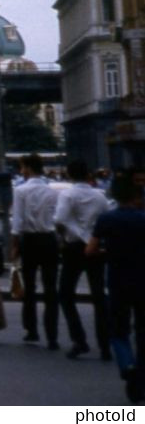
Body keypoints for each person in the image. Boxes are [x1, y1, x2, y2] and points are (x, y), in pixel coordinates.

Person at [88, 172, 145, 404]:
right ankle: (141, 375)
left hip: (117, 281)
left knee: (119, 331)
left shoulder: (106, 219)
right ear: (136, 197)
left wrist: (106, 252)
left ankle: (127, 365)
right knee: (142, 331)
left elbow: (90, 251)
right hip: (143, 282)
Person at [58, 159, 113, 359]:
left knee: (65, 294)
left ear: (70, 175)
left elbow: (60, 219)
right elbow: (106, 219)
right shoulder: (100, 196)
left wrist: (78, 235)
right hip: (96, 247)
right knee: (99, 296)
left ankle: (79, 340)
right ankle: (105, 344)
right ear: (88, 174)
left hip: (73, 247)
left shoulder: (67, 194)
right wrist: (91, 238)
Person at [10, 151, 62, 348]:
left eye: (22, 167)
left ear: (28, 168)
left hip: (29, 240)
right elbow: (57, 220)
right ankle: (52, 335)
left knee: (29, 287)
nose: (21, 171)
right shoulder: (53, 192)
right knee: (51, 289)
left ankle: (31, 330)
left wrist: (14, 245)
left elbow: (18, 221)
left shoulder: (20, 191)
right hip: (49, 240)